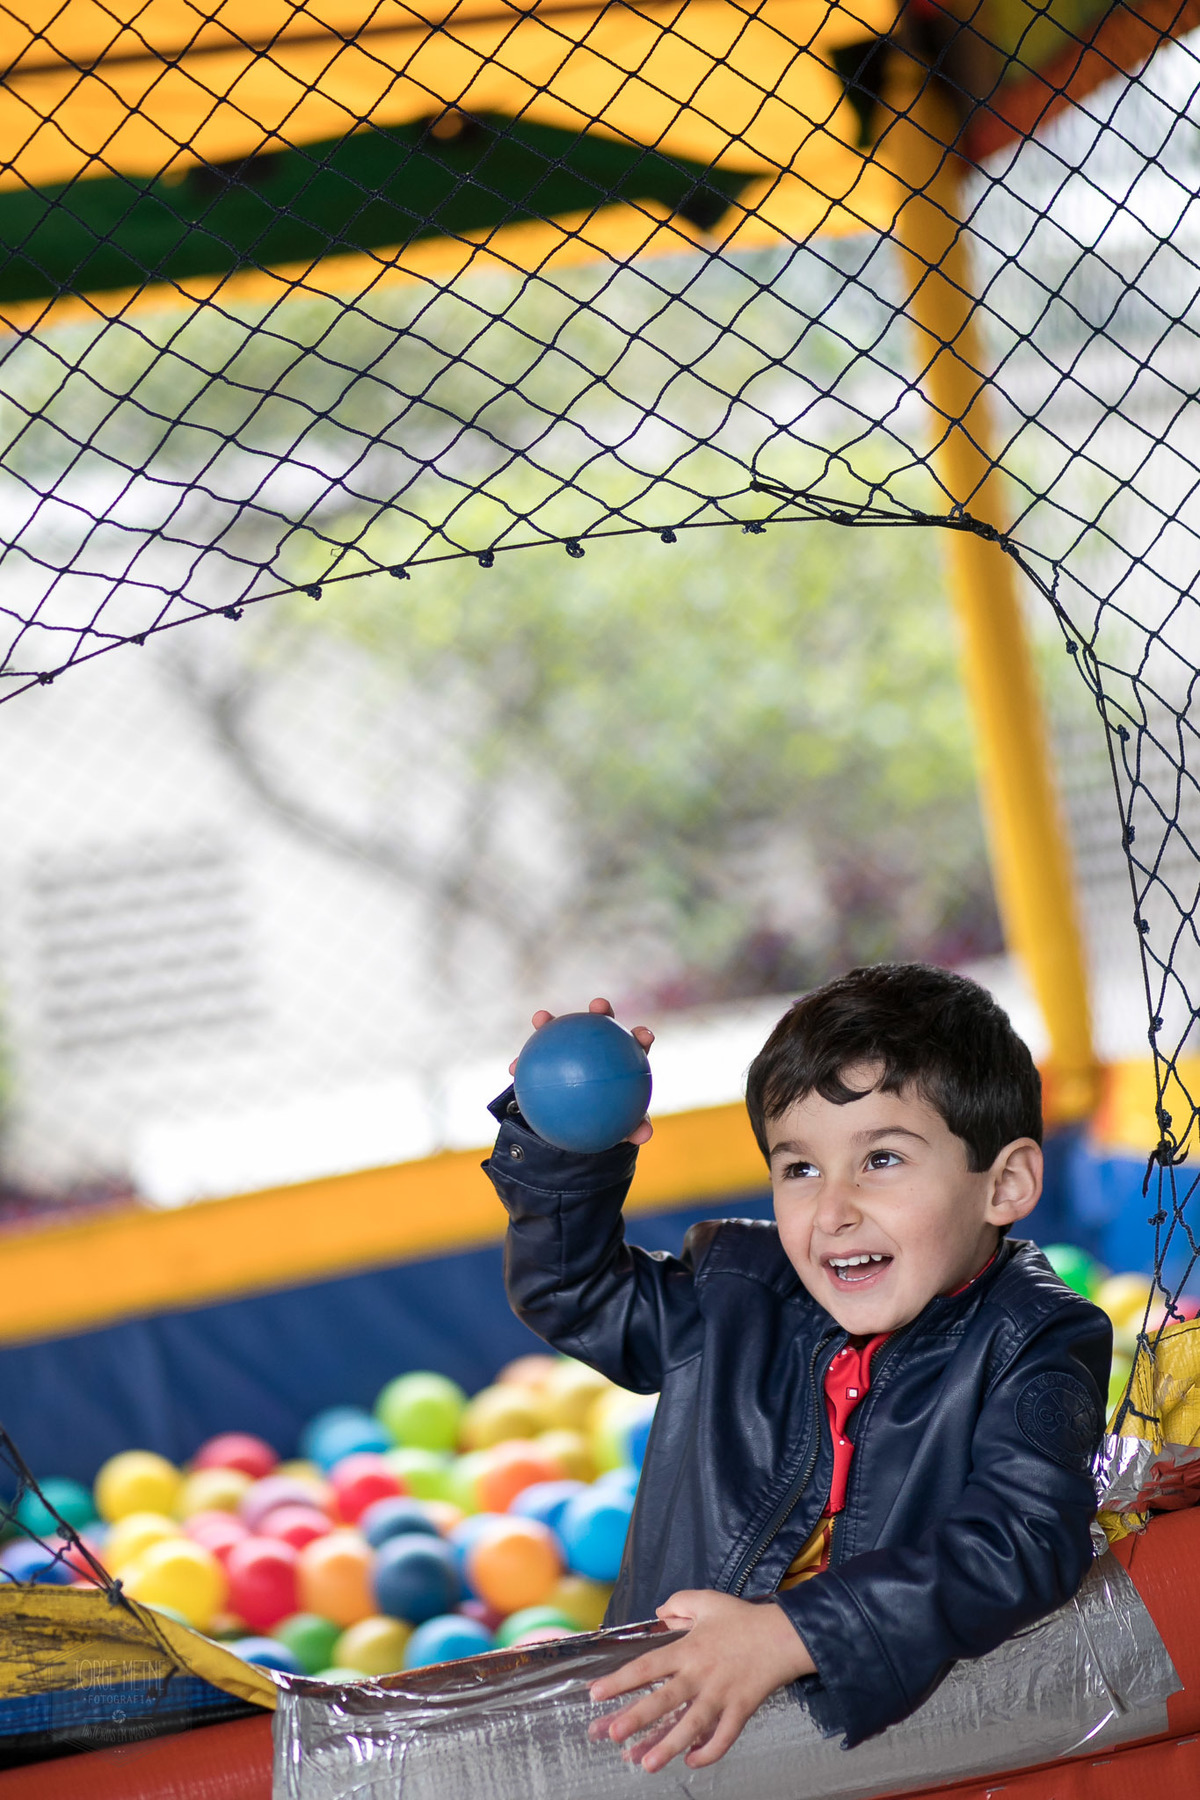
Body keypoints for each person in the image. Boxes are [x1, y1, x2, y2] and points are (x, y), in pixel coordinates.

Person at [482, 963, 1112, 1772]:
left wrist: (789, 1635)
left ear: (1006, 1182)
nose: (833, 1210)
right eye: (800, 1168)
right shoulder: (738, 1294)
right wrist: (561, 1149)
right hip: (669, 1732)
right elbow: (572, 1292)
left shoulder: (1034, 1336)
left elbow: (1020, 1539)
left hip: (867, 1743)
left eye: (882, 1160)